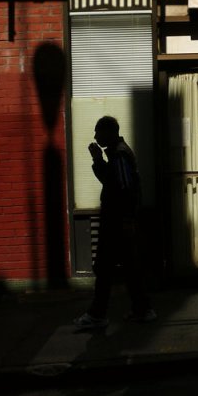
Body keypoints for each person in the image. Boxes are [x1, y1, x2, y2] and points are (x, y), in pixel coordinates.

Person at [74, 116, 156, 328]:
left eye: (98, 132)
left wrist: (127, 219)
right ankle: (142, 309)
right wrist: (98, 159)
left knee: (104, 267)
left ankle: (98, 315)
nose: (95, 136)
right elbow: (115, 182)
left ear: (109, 132)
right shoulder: (119, 153)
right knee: (129, 267)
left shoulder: (119, 155)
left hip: (116, 222)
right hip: (121, 221)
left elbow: (123, 188)